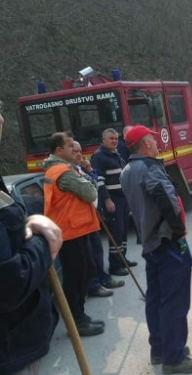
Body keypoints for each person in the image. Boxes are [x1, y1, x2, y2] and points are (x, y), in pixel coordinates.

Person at [120, 125, 192, 374]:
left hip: (150, 243)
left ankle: (160, 349)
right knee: (175, 300)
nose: (157, 144)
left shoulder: (127, 170)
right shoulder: (149, 168)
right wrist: (180, 231)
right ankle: (174, 358)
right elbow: (168, 201)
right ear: (146, 144)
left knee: (156, 298)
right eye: (153, 140)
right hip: (167, 241)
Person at [0, 107, 62, 375]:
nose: (2, 119)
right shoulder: (62, 171)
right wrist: (43, 240)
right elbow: (10, 283)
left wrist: (28, 224)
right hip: (10, 353)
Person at [43, 132, 104, 336]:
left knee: (85, 271)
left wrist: (87, 181)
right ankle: (76, 321)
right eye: (70, 146)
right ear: (59, 150)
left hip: (76, 229)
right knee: (76, 276)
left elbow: (89, 188)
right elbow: (91, 193)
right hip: (69, 232)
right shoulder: (62, 171)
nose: (75, 150)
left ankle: (80, 316)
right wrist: (89, 182)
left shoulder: (64, 169)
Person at [72, 141, 125, 297]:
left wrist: (88, 169)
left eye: (80, 150)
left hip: (92, 215)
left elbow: (95, 182)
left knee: (97, 250)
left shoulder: (80, 169)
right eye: (74, 150)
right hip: (80, 220)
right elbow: (91, 190)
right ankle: (94, 284)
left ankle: (104, 279)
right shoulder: (69, 172)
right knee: (90, 255)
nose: (79, 154)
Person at [91, 128, 136, 276]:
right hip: (112, 200)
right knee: (116, 233)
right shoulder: (99, 157)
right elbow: (99, 181)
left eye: (116, 139)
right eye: (111, 139)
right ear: (103, 140)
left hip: (122, 198)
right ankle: (115, 265)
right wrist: (107, 200)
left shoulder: (115, 154)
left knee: (123, 232)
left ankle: (123, 259)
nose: (114, 141)